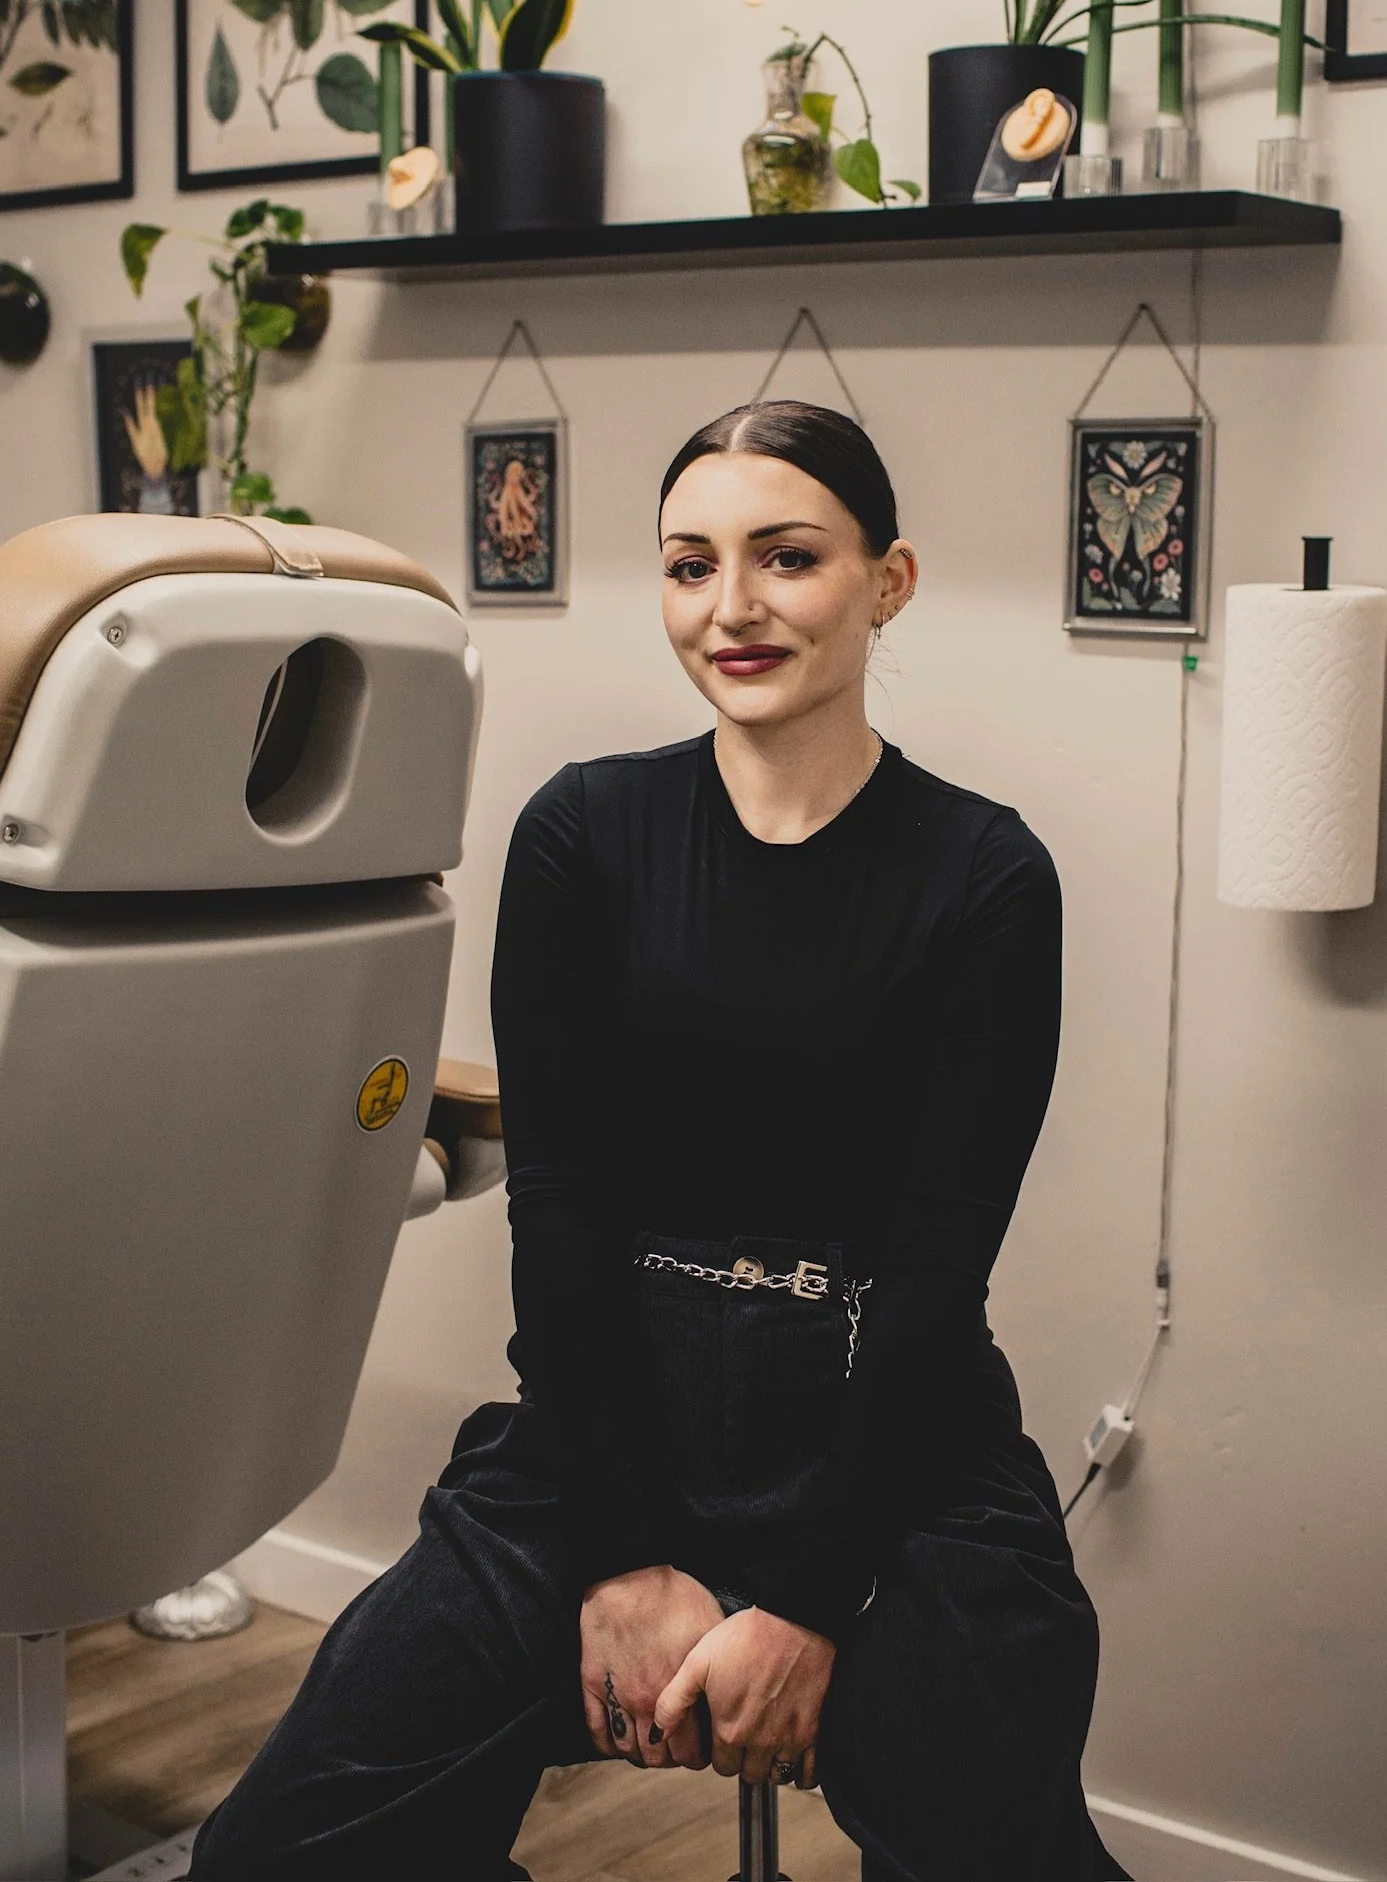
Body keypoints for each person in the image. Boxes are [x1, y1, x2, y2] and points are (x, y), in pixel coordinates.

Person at [190, 399, 1131, 1881]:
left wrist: (814, 1601)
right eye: (691, 566)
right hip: (607, 1431)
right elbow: (555, 1213)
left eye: (787, 557)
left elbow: (940, 1257)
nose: (732, 608)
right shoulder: (582, 838)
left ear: (887, 582)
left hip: (890, 1442)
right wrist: (623, 1557)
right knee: (282, 1853)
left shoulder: (987, 877)